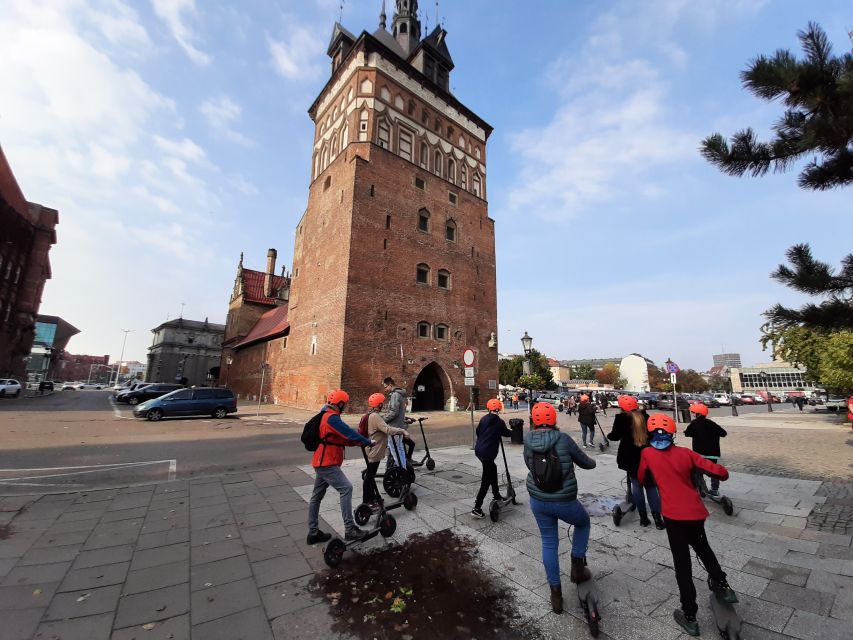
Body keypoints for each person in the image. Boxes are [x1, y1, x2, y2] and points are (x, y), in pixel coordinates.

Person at [638, 413, 737, 636]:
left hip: (673, 516)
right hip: (695, 512)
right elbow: (721, 473)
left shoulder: (647, 454)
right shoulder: (686, 453)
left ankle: (690, 616)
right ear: (673, 433)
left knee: (683, 565)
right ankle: (724, 586)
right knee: (703, 549)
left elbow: (642, 477)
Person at [524, 402, 597, 614]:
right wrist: (591, 462)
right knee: (583, 523)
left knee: (549, 543)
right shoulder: (563, 439)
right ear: (554, 419)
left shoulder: (528, 441)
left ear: (534, 420)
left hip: (538, 500)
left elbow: (530, 465)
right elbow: (585, 463)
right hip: (565, 500)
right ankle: (577, 567)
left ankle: (555, 594)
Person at [307, 389, 373, 545]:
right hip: (327, 463)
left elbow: (339, 438)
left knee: (316, 497)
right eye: (344, 404)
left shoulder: (325, 415)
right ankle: (350, 529)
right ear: (340, 403)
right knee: (346, 488)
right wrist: (367, 441)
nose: (345, 406)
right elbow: (348, 432)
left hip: (322, 462)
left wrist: (356, 442)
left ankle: (313, 533)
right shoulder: (332, 418)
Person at [606, 395, 663, 529]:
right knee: (650, 487)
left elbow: (615, 436)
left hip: (630, 458)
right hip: (647, 456)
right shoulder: (645, 416)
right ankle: (658, 519)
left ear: (622, 407)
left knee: (637, 486)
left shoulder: (621, 419)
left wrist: (609, 436)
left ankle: (643, 518)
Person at [363, 393, 411, 507]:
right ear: (378, 404)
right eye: (382, 403)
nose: (383, 405)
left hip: (373, 449)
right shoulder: (375, 416)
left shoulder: (371, 414)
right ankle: (367, 501)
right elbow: (387, 429)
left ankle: (372, 498)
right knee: (370, 477)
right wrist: (402, 431)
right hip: (374, 451)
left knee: (370, 475)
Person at [471, 398, 513, 518]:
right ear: (499, 408)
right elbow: (506, 433)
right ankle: (477, 508)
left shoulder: (484, 418)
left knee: (492, 469)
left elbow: (478, 432)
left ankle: (497, 495)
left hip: (479, 451)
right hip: (488, 453)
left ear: (488, 408)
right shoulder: (499, 422)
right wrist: (512, 431)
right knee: (486, 480)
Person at [684, 403, 727, 496]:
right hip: (713, 453)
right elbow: (723, 433)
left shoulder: (694, 423)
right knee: (713, 471)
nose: (693, 414)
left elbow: (687, 433)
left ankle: (702, 489)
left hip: (700, 454)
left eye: (693, 413)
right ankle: (714, 489)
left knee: (697, 472)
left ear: (698, 414)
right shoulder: (711, 423)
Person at [382, 377, 408, 468]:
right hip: (399, 426)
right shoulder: (400, 394)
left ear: (390, 385)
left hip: (394, 427)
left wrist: (382, 420)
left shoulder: (395, 395)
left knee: (395, 451)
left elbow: (394, 412)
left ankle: (401, 471)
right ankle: (403, 468)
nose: (385, 389)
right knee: (399, 449)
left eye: (385, 387)